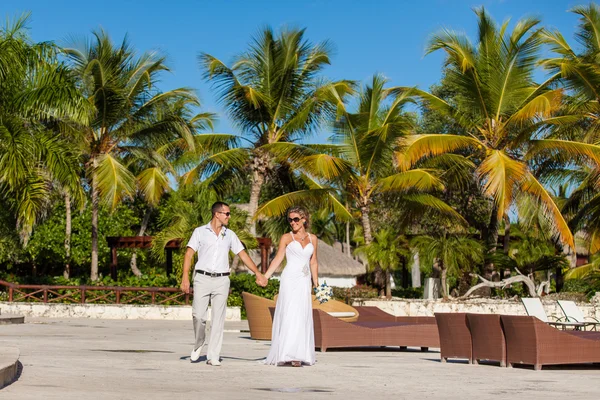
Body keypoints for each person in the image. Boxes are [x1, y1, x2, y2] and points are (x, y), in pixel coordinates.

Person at [180, 201, 267, 366]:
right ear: (217, 214)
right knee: (198, 315)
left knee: (218, 319)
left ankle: (213, 355)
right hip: (202, 278)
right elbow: (189, 254)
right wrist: (185, 277)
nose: (229, 216)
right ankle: (199, 343)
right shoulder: (199, 232)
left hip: (222, 279)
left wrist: (257, 273)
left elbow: (242, 255)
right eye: (226, 213)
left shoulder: (230, 235)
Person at [260, 206, 319, 367]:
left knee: (302, 315)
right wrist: (266, 276)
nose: (292, 222)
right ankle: (287, 353)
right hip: (289, 279)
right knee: (289, 313)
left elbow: (313, 262)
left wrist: (317, 284)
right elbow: (278, 258)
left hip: (304, 281)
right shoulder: (286, 237)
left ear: (304, 219)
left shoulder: (313, 238)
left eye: (296, 219)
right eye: (290, 220)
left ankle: (299, 354)